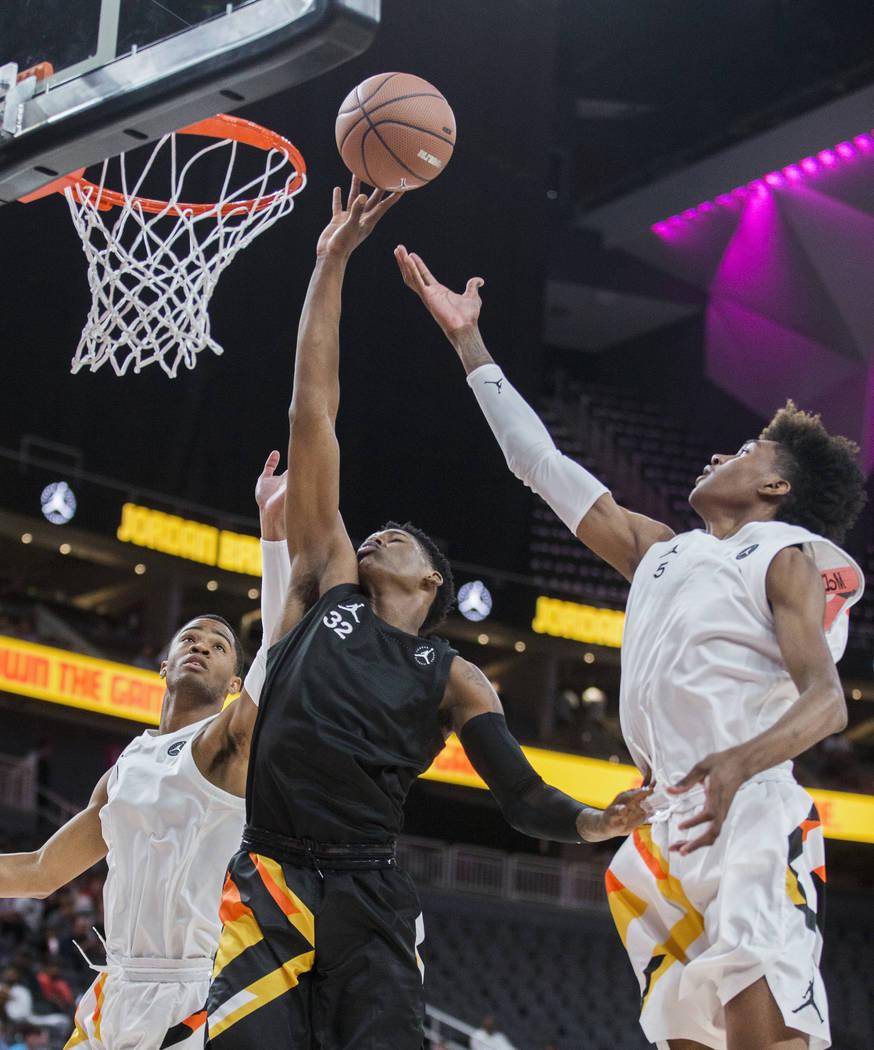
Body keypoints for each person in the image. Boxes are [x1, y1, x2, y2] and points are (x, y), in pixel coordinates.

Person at [203, 180, 652, 1050]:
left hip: (372, 896)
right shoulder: (323, 583)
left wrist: (597, 822)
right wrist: (330, 262)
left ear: (434, 584)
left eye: (397, 537)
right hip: (269, 875)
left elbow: (521, 798)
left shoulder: (456, 677)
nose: (376, 534)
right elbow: (313, 412)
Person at [395, 246, 866, 1050]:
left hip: (746, 805)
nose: (721, 456)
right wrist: (469, 344)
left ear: (776, 490)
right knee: (685, 1036)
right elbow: (537, 463)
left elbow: (826, 702)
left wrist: (737, 763)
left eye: (747, 450)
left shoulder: (785, 553)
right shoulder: (663, 550)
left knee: (767, 1037)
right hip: (662, 817)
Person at [0, 454, 292, 1050]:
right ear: (164, 665)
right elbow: (39, 874)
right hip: (113, 989)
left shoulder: (224, 745)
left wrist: (274, 533)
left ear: (238, 683)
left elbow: (282, 646)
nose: (202, 646)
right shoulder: (124, 768)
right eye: (190, 637)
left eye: (220, 644)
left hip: (194, 993)